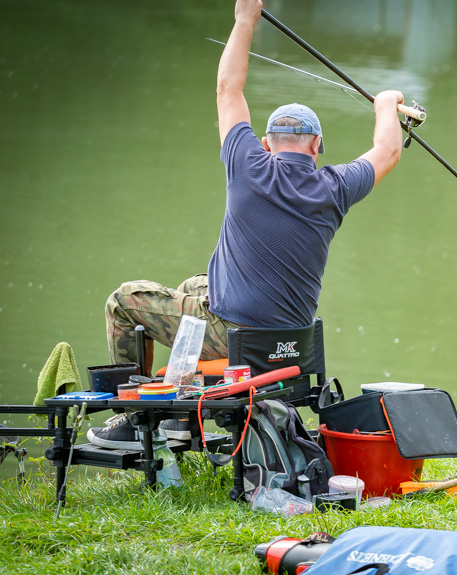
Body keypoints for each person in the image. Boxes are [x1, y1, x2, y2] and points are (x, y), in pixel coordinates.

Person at [89, 0, 404, 449]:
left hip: (235, 337)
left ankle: (134, 419)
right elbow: (387, 151)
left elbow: (227, 89)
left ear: (264, 144)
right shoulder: (335, 188)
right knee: (195, 284)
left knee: (123, 300)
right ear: (317, 147)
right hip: (290, 341)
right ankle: (183, 417)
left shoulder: (247, 164)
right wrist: (387, 104)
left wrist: (245, 19)